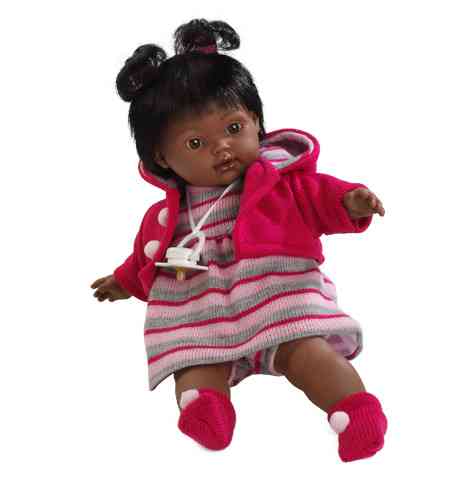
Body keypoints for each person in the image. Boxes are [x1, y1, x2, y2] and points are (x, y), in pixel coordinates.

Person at [91, 18, 388, 462]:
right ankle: (207, 409)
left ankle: (356, 411)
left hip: (278, 302)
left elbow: (322, 197)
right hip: (202, 317)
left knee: (310, 354)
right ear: (161, 157)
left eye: (233, 129)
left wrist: (351, 201)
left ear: (256, 121)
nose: (222, 148)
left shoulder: (281, 184)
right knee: (192, 366)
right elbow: (146, 260)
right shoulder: (165, 217)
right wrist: (123, 281)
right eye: (196, 142)